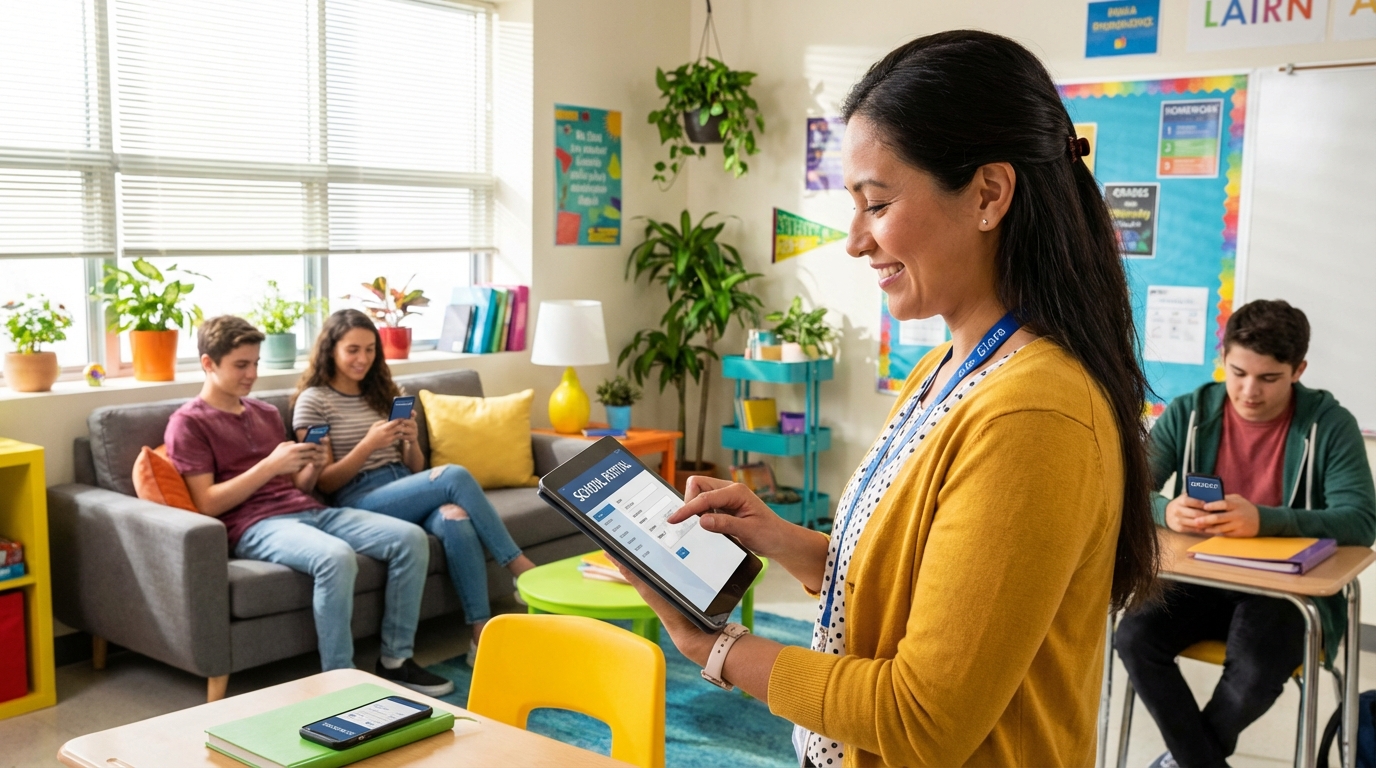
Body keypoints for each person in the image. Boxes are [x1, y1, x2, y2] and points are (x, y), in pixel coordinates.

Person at [618, 30, 1159, 767]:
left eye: (876, 203)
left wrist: (716, 650)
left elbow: (924, 716)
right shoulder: (946, 365)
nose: (854, 240)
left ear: (989, 194)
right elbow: (919, 584)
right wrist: (783, 539)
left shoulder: (1034, 414)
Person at [1115, 299, 1376, 768]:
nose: (1248, 390)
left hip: (1284, 591)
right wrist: (1166, 510)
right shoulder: (1190, 412)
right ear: (1223, 359)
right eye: (1237, 372)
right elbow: (1128, 491)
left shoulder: (1330, 424)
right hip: (1203, 576)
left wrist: (1266, 519)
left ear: (1299, 370)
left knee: (1255, 666)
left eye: (1268, 378)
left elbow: (1360, 520)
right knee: (1133, 636)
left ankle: (1187, 760)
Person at [164, 315, 454, 695]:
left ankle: (396, 660)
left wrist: (310, 467)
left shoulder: (265, 414)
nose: (251, 374)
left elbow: (294, 485)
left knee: (410, 539)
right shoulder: (188, 423)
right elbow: (206, 504)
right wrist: (269, 465)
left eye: (255, 363)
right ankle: (341, 681)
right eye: (240, 365)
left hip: (308, 509)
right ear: (208, 364)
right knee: (335, 557)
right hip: (254, 525)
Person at [292, 309, 536, 661]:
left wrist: (409, 441)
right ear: (331, 350)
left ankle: (479, 635)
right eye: (353, 350)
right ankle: (517, 567)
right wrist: (368, 445)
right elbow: (327, 483)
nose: (363, 359)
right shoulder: (314, 401)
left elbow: (415, 467)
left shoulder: (384, 392)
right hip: (359, 498)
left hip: (404, 485)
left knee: (456, 518)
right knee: (453, 475)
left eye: (370, 350)